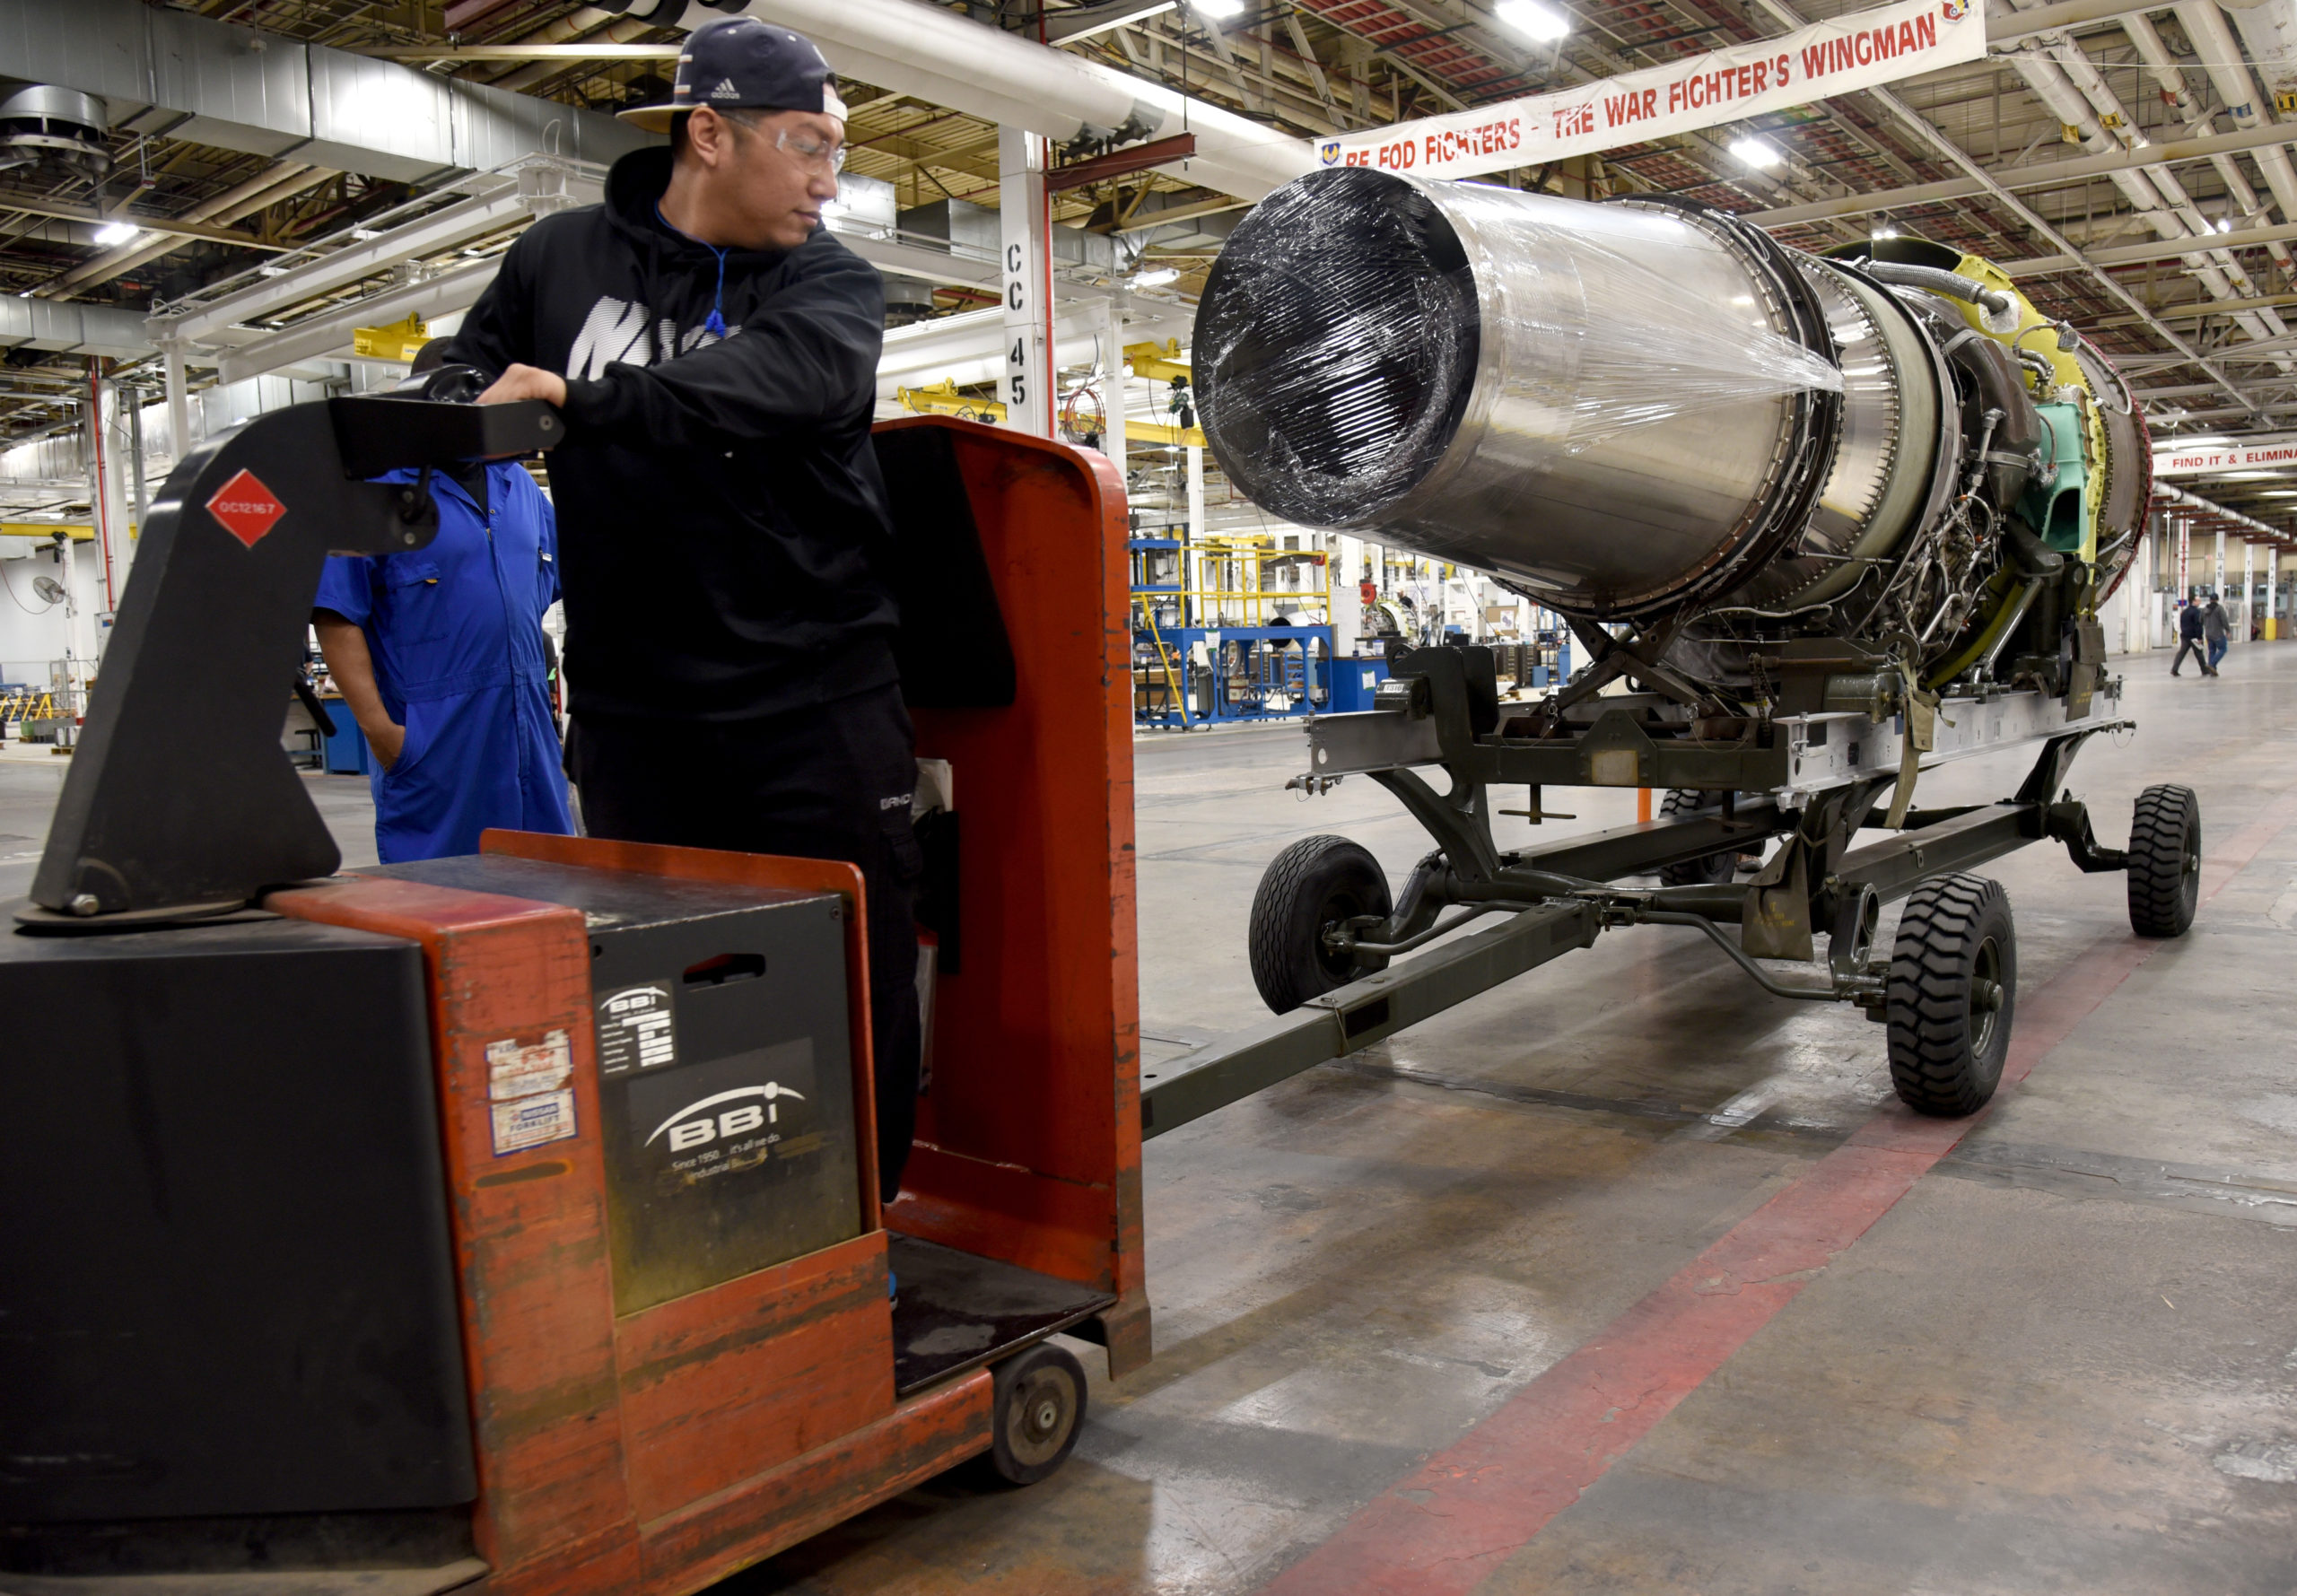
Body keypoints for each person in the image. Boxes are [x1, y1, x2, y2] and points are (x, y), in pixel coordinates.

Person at [445, 17, 923, 1200]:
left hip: (814, 702)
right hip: (638, 713)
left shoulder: (828, 283)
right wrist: (448, 407)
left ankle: (862, 1232)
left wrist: (581, 401)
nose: (829, 181)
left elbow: (778, 382)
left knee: (848, 981)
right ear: (710, 134)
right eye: (809, 145)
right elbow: (467, 371)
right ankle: (696, 1231)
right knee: (654, 994)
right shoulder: (557, 258)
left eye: (837, 152)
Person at [311, 341, 572, 862]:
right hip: (435, 740)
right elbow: (336, 613)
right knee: (441, 887)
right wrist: (383, 735)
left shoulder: (520, 487)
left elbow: (551, 586)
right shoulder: (378, 491)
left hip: (526, 726)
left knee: (548, 880)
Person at [2171, 597, 2210, 676]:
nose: (2199, 602)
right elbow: (2198, 625)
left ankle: (2174, 669)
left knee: (2181, 653)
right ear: (2193, 601)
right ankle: (2204, 670)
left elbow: (2182, 623)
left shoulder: (2184, 612)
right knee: (2199, 653)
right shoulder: (2197, 612)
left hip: (2185, 636)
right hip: (2194, 636)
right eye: (2198, 600)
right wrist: (2199, 637)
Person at [2205, 593, 2231, 674]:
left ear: (2210, 600)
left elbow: (2200, 620)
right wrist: (2228, 630)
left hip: (2208, 634)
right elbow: (2224, 620)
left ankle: (2213, 670)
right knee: (2223, 649)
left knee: (2211, 651)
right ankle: (2211, 664)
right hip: (2218, 634)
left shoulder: (2204, 609)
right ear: (2217, 600)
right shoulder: (2219, 608)